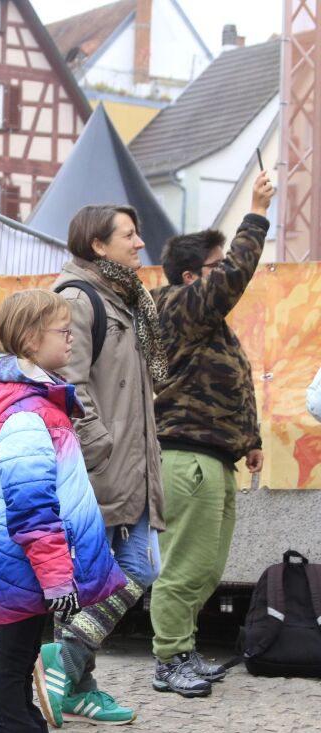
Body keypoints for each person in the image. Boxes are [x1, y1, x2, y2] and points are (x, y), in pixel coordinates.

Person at [0, 290, 125, 733]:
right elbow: (32, 508)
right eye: (64, 330)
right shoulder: (25, 413)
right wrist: (58, 578)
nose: (73, 337)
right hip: (29, 569)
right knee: (14, 681)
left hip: (33, 568)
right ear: (31, 340)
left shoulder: (39, 401)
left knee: (18, 674)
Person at [37, 204, 165, 726]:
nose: (139, 243)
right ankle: (64, 665)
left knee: (120, 573)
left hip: (130, 465)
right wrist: (100, 445)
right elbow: (68, 383)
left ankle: (71, 678)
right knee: (135, 569)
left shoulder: (127, 300)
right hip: (98, 465)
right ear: (98, 245)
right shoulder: (78, 297)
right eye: (128, 235)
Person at [148, 171, 275, 696]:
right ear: (188, 278)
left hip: (214, 458)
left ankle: (184, 648)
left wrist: (252, 440)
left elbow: (232, 385)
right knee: (186, 565)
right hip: (187, 457)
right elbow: (233, 280)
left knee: (207, 566)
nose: (224, 273)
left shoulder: (206, 325)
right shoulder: (177, 308)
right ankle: (169, 658)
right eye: (214, 266)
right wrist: (257, 213)